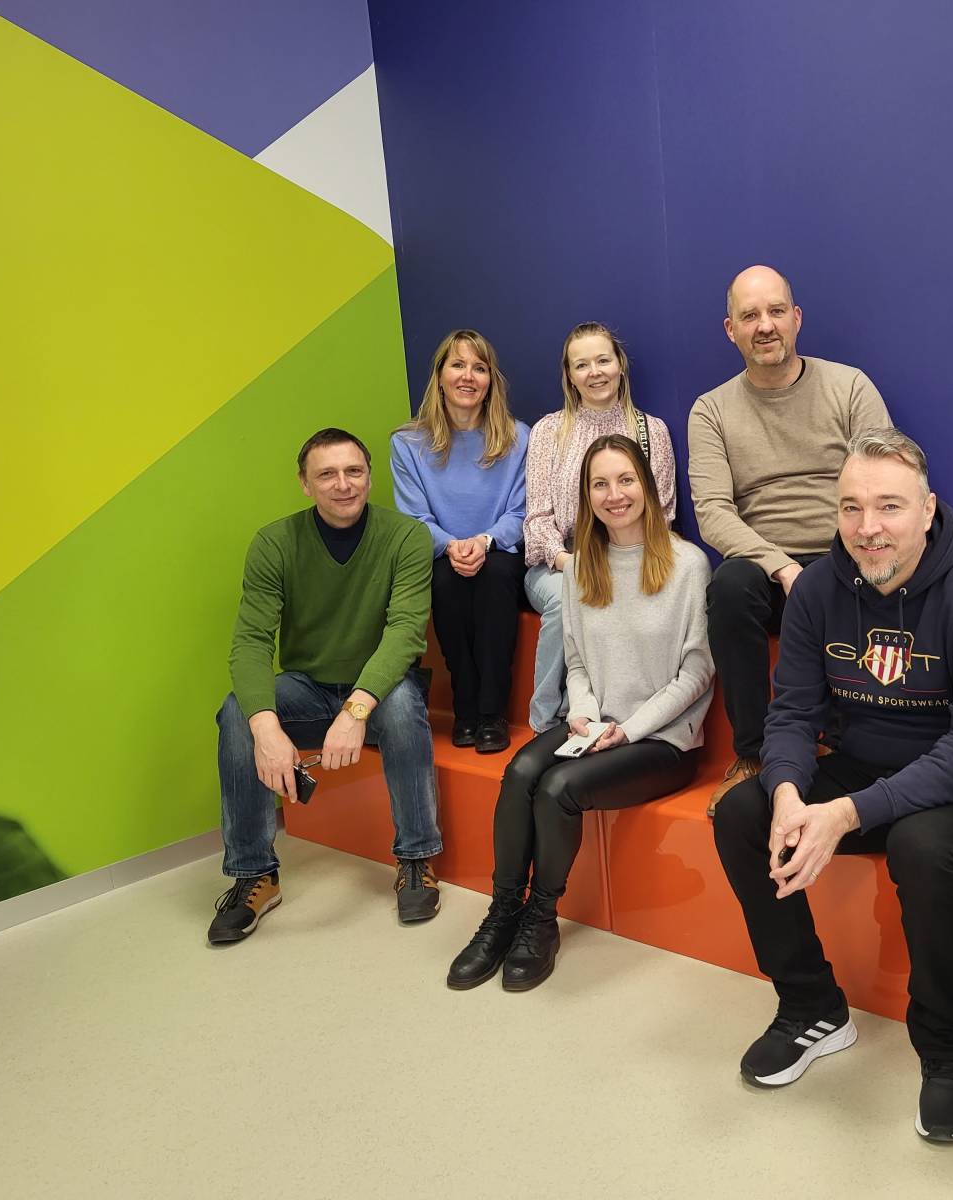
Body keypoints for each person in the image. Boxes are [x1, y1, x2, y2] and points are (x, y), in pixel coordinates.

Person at [713, 428, 953, 1143]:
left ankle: (947, 1053)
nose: (868, 528)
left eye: (888, 507)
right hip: (861, 767)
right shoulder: (819, 588)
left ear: (926, 511)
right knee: (741, 811)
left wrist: (848, 814)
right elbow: (791, 710)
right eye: (852, 508)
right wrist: (790, 790)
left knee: (921, 844)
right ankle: (812, 1008)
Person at [450, 434, 713, 991]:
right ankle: (502, 916)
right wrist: (589, 716)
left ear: (646, 485)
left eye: (625, 480)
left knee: (557, 788)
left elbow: (695, 674)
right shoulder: (581, 569)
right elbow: (576, 661)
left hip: (661, 741)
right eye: (600, 484)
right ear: (585, 496)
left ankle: (541, 920)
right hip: (594, 726)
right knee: (521, 770)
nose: (614, 495)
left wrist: (628, 730)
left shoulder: (688, 565)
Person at [209, 428, 440, 945]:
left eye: (354, 471)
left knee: (402, 706)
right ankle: (255, 875)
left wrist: (356, 711)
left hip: (379, 688)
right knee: (236, 712)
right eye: (327, 474)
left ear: (370, 476)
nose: (343, 485)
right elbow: (250, 641)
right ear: (304, 484)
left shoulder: (406, 536)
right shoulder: (274, 542)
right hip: (308, 687)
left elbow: (405, 632)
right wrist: (265, 727)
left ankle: (416, 860)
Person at [689, 265, 892, 813]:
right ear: (729, 329)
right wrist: (780, 565)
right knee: (728, 587)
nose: (765, 326)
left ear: (796, 318)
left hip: (846, 551)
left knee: (862, 572)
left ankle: (844, 746)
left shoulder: (849, 386)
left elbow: (888, 478)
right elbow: (712, 512)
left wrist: (842, 551)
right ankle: (753, 754)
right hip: (763, 563)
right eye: (749, 315)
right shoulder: (710, 409)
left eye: (776, 311)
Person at [523, 323, 677, 733]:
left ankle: (625, 715)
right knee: (567, 598)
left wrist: (619, 563)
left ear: (620, 365)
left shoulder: (651, 432)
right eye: (582, 364)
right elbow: (537, 518)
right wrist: (567, 561)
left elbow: (661, 514)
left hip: (628, 556)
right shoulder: (548, 432)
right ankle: (547, 719)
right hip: (559, 561)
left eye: (603, 360)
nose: (595, 372)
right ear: (570, 376)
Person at [392, 329, 529, 754]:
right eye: (458, 365)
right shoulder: (408, 444)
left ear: (491, 380)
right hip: (440, 554)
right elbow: (415, 518)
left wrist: (485, 541)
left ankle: (490, 714)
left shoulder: (519, 436)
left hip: (500, 551)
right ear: (439, 376)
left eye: (479, 367)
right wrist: (451, 546)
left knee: (494, 578)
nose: (468, 376)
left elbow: (521, 512)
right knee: (445, 582)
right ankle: (464, 704)